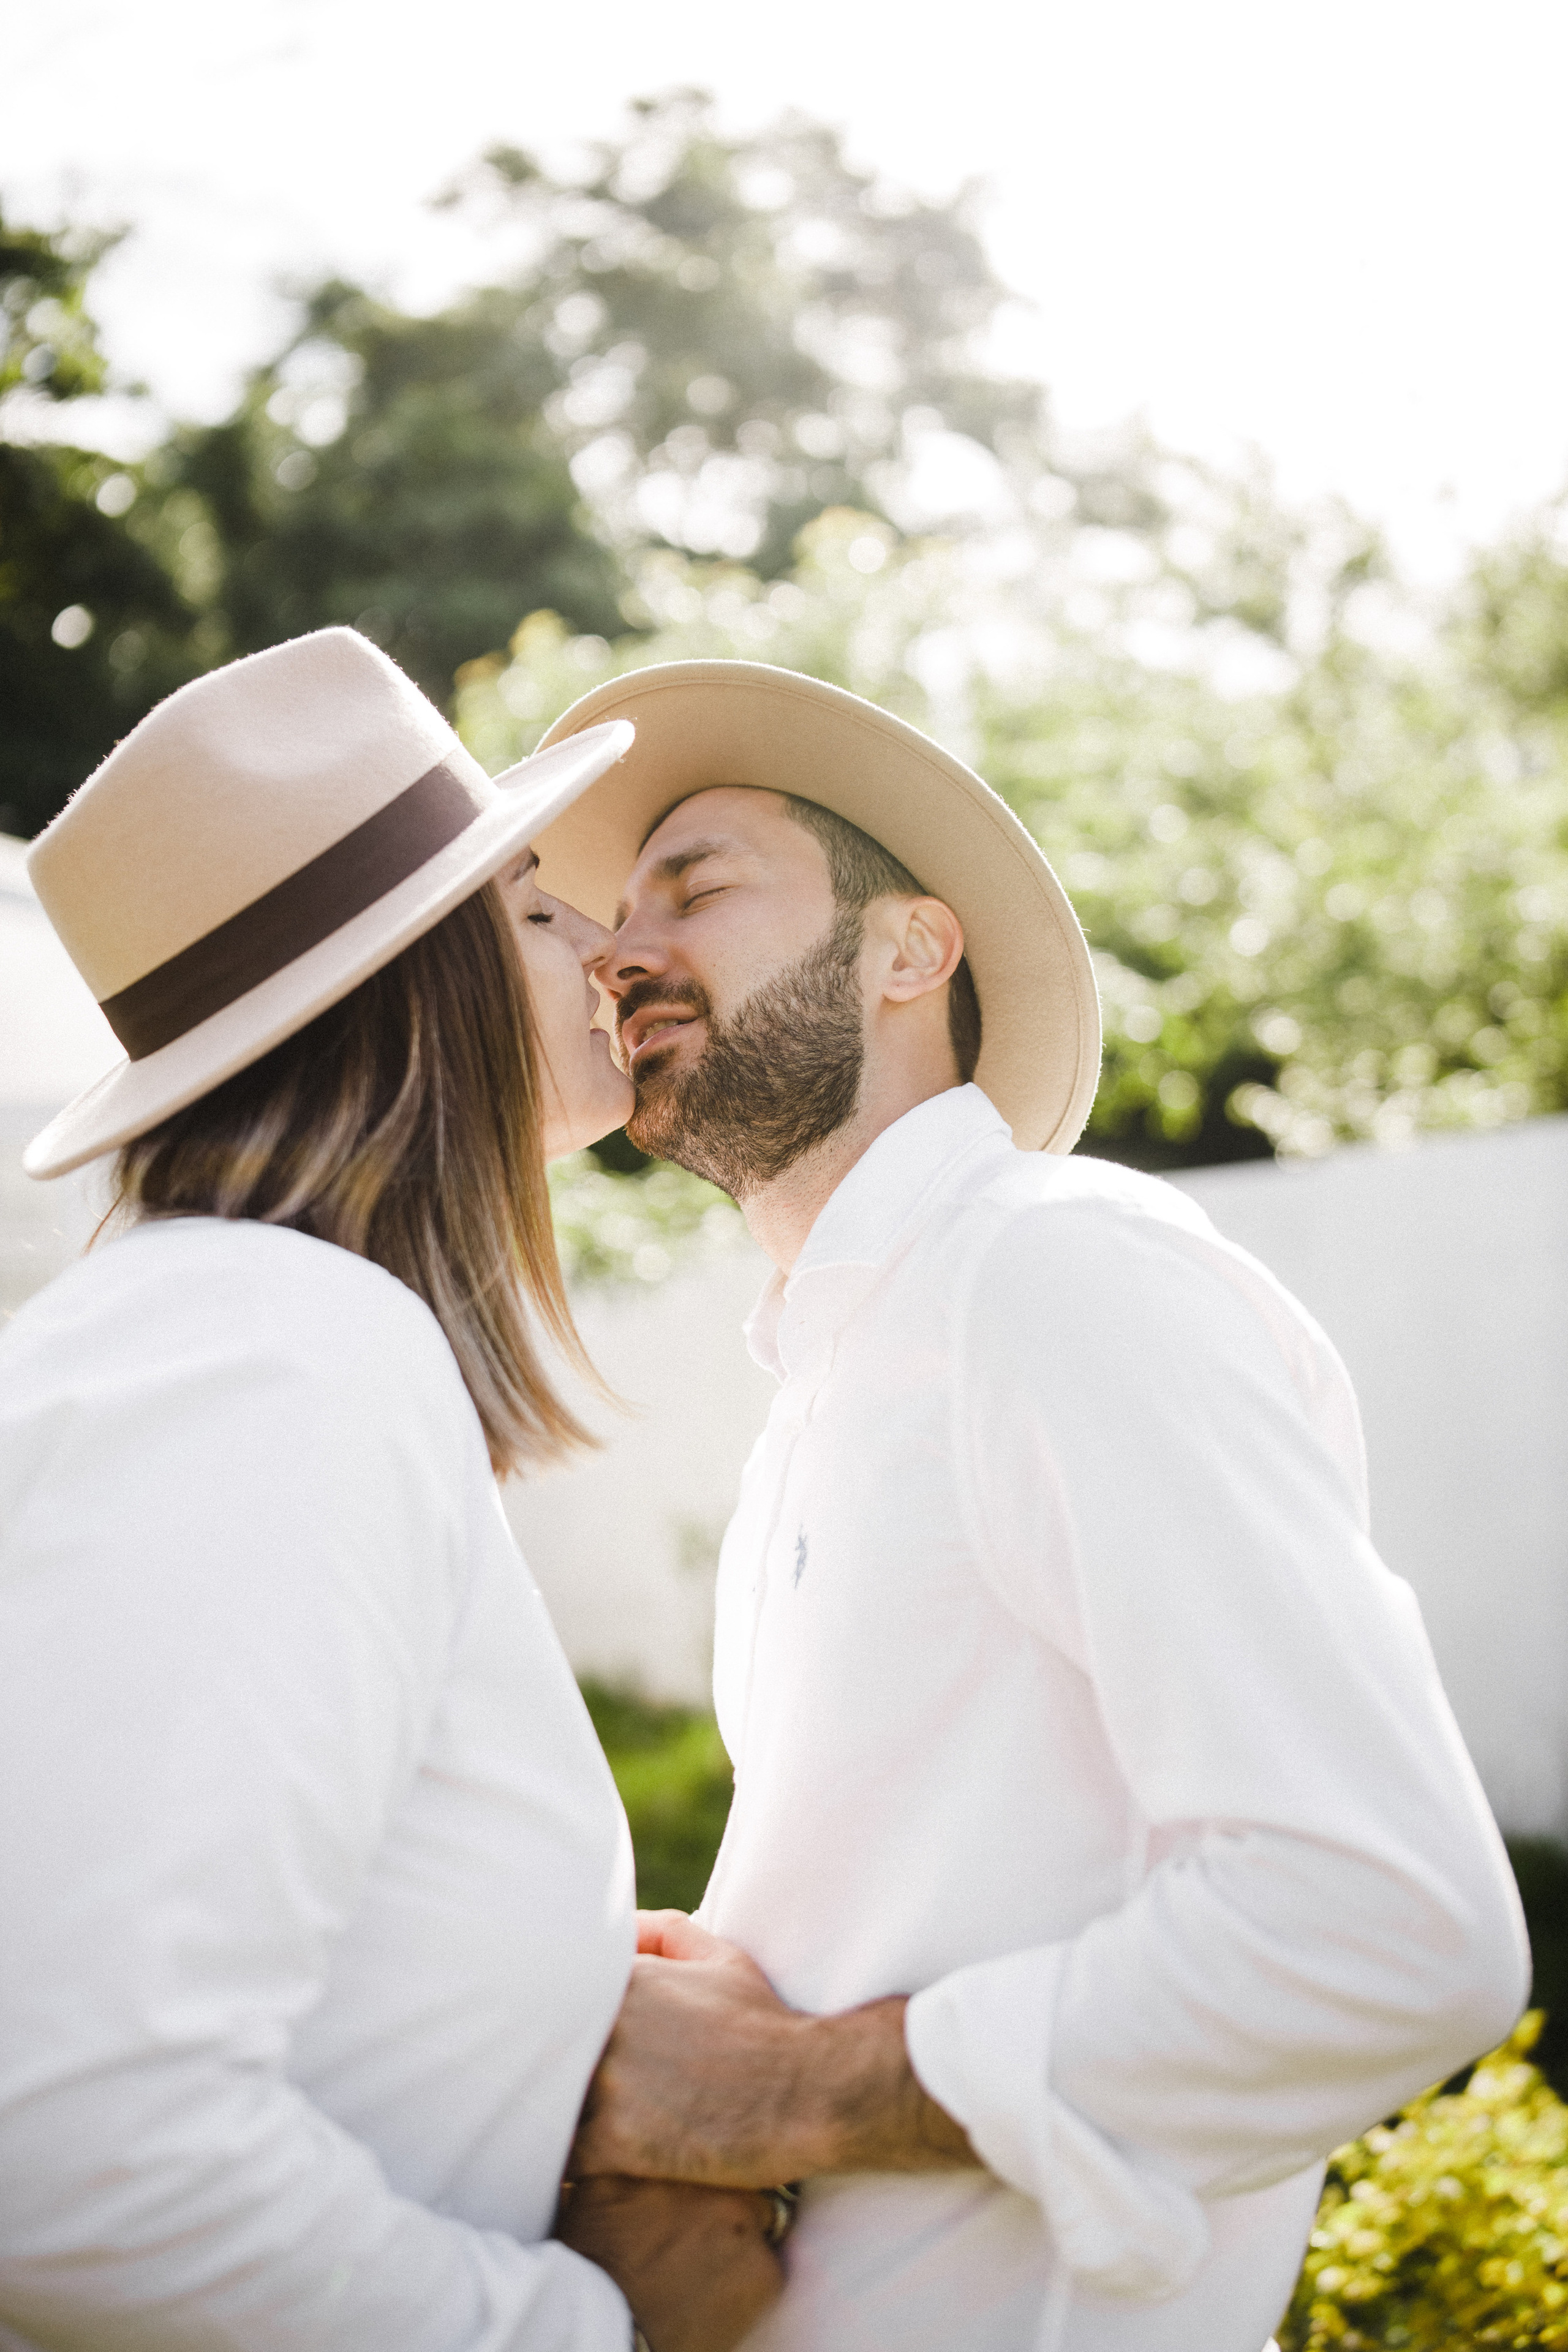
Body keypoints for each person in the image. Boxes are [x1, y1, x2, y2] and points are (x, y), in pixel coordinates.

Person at [525, 657, 1531, 2352]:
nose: (620, 949)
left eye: (693, 885)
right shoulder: (830, 1396)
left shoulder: (1059, 1276)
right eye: (615, 912)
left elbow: (1388, 1928)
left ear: (911, 949)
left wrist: (783, 2092)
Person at [0, 631, 783, 2352]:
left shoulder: (259, 1344)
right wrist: (592, 2331)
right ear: (409, 992)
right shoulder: (274, 1359)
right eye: (528, 907)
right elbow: (68, 2147)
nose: (601, 945)